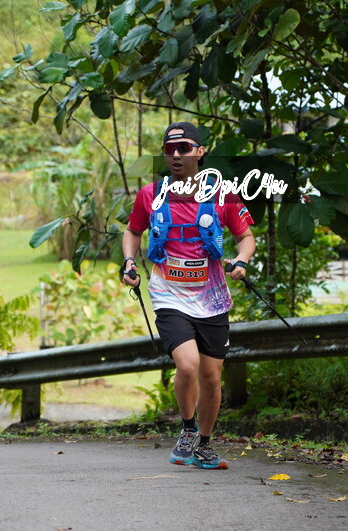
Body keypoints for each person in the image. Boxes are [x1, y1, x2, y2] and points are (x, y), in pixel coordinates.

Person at [122, 122, 255, 470]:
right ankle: (187, 428)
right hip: (168, 294)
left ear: (200, 151)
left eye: (184, 148)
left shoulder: (223, 194)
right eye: (170, 149)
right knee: (187, 364)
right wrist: (129, 262)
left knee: (211, 377)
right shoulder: (150, 194)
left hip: (212, 298)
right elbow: (133, 232)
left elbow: (245, 237)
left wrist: (241, 260)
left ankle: (205, 446)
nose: (176, 155)